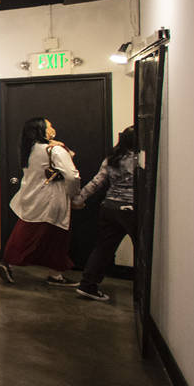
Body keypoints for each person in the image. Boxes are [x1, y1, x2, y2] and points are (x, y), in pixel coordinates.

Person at [0, 117, 80, 287]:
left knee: (30, 231)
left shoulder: (29, 149)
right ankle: (55, 273)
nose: (52, 129)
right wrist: (75, 196)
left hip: (32, 196)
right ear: (40, 130)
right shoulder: (54, 150)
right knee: (55, 236)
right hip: (51, 198)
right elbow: (72, 176)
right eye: (49, 126)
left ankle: (11, 263)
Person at [71, 126, 136, 302]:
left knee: (103, 248)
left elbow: (96, 182)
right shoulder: (139, 159)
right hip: (130, 208)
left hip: (108, 207)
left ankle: (88, 285)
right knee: (144, 251)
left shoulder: (113, 158)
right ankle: (145, 295)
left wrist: (79, 198)